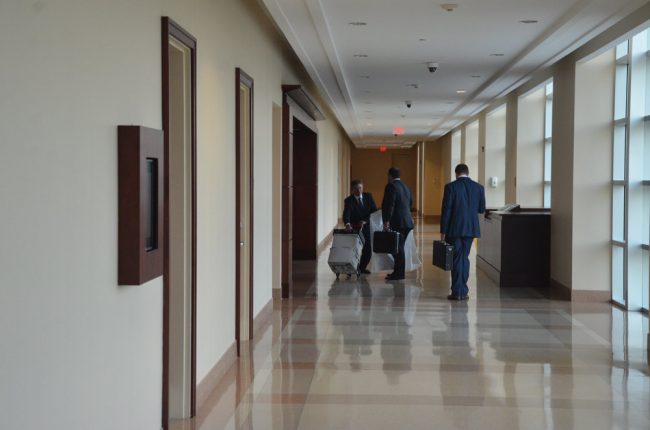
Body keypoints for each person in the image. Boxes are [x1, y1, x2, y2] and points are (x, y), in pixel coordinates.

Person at [440, 163, 486, 300]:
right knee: (464, 258)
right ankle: (463, 290)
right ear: (467, 172)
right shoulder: (479, 188)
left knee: (456, 258)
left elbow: (446, 211)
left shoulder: (450, 187)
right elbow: (481, 209)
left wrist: (443, 231)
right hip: (471, 229)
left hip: (454, 229)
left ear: (456, 173)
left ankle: (457, 292)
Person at [381, 167, 414, 280]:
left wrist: (386, 221)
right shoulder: (406, 187)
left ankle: (399, 274)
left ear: (390, 176)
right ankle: (397, 271)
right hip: (407, 222)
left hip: (397, 222)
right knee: (398, 247)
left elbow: (389, 205)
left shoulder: (391, 186)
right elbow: (410, 204)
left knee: (398, 249)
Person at [342, 180, 377, 274]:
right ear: (352, 190)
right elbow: (347, 213)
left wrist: (365, 221)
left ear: (363, 188)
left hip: (366, 226)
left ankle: (361, 268)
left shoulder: (368, 197)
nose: (359, 190)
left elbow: (374, 210)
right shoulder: (349, 200)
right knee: (353, 249)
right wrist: (347, 224)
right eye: (356, 188)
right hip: (354, 228)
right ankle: (350, 268)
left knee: (368, 250)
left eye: (360, 188)